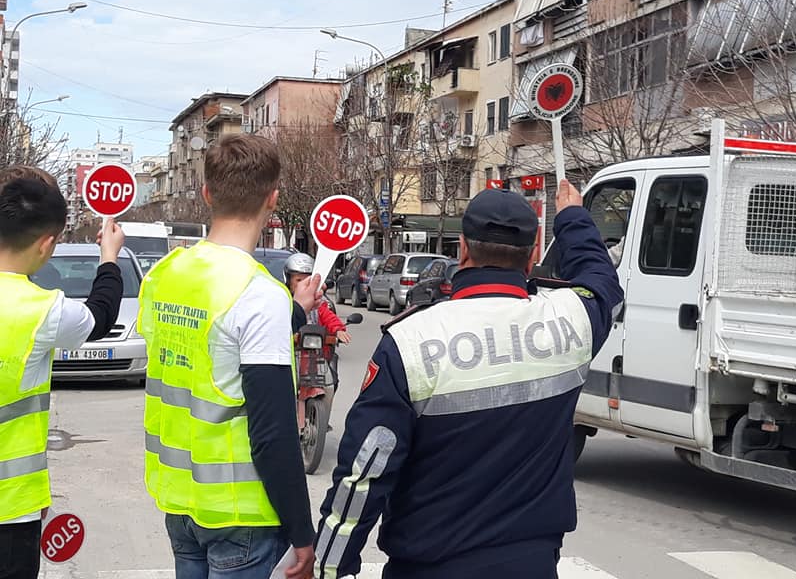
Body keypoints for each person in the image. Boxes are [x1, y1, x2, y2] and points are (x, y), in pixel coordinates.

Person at [313, 180, 624, 579]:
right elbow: (603, 284)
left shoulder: (412, 340)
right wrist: (573, 218)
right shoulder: (571, 322)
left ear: (462, 248)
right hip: (531, 566)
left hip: (429, 567)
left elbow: (366, 469)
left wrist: (329, 566)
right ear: (531, 257)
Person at [138, 135, 321, 579]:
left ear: (206, 194)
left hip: (182, 502)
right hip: (242, 516)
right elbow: (273, 433)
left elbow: (209, 347)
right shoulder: (259, 294)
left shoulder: (166, 275)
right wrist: (302, 531)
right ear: (272, 199)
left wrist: (294, 311)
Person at [0, 166, 125, 579]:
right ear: (48, 243)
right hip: (11, 506)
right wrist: (109, 257)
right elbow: (101, 314)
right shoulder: (42, 311)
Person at [284, 253, 352, 345]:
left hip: (315, 352)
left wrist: (338, 330)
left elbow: (329, 317)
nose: (302, 284)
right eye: (299, 280)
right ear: (288, 281)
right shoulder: (283, 302)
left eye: (307, 280)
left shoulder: (317, 303)